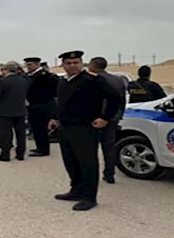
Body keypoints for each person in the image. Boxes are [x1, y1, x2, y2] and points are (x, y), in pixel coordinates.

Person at [49, 51, 121, 211]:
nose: (72, 65)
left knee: (87, 163)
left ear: (82, 63)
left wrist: (105, 118)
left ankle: (89, 197)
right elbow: (60, 102)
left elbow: (115, 97)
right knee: (71, 162)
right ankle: (76, 190)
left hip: (84, 127)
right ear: (63, 65)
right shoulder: (63, 81)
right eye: (68, 63)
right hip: (65, 127)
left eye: (76, 62)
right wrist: (54, 118)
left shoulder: (92, 80)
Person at [88, 57, 127, 184]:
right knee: (109, 146)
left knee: (91, 148)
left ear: (93, 66)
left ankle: (91, 175)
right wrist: (120, 115)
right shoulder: (118, 80)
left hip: (95, 118)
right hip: (113, 117)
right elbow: (122, 100)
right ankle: (110, 174)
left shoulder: (92, 80)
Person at [0, 62, 29, 162]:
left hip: (4, 110)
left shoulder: (2, 81)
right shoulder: (23, 81)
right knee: (20, 133)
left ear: (6, 70)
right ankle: (20, 154)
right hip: (20, 109)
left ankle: (5, 154)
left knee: (5, 133)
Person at [24, 57, 58, 157]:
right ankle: (39, 146)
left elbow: (55, 88)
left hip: (43, 105)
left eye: (30, 65)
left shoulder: (44, 75)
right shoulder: (31, 75)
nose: (28, 67)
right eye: (27, 65)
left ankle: (44, 149)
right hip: (33, 105)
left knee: (41, 128)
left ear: (37, 64)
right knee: (36, 128)